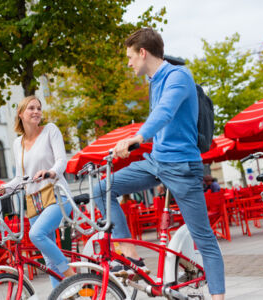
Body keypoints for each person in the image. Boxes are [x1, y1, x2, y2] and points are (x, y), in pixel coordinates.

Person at [92, 28, 225, 299]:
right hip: (156, 161)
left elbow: (164, 112)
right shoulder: (153, 80)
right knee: (101, 189)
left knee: (205, 240)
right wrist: (127, 146)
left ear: (143, 53)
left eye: (130, 57)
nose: (128, 63)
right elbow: (160, 122)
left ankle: (218, 297)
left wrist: (137, 137)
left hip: (182, 166)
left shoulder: (179, 77)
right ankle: (130, 254)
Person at [0, 95, 75, 288]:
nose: (36, 111)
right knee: (48, 260)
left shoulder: (50, 130)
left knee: (36, 234)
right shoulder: (18, 143)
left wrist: (50, 172)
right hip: (34, 201)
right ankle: (61, 294)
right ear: (21, 114)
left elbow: (61, 161)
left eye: (38, 108)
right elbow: (20, 178)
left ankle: (71, 276)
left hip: (57, 195)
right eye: (31, 108)